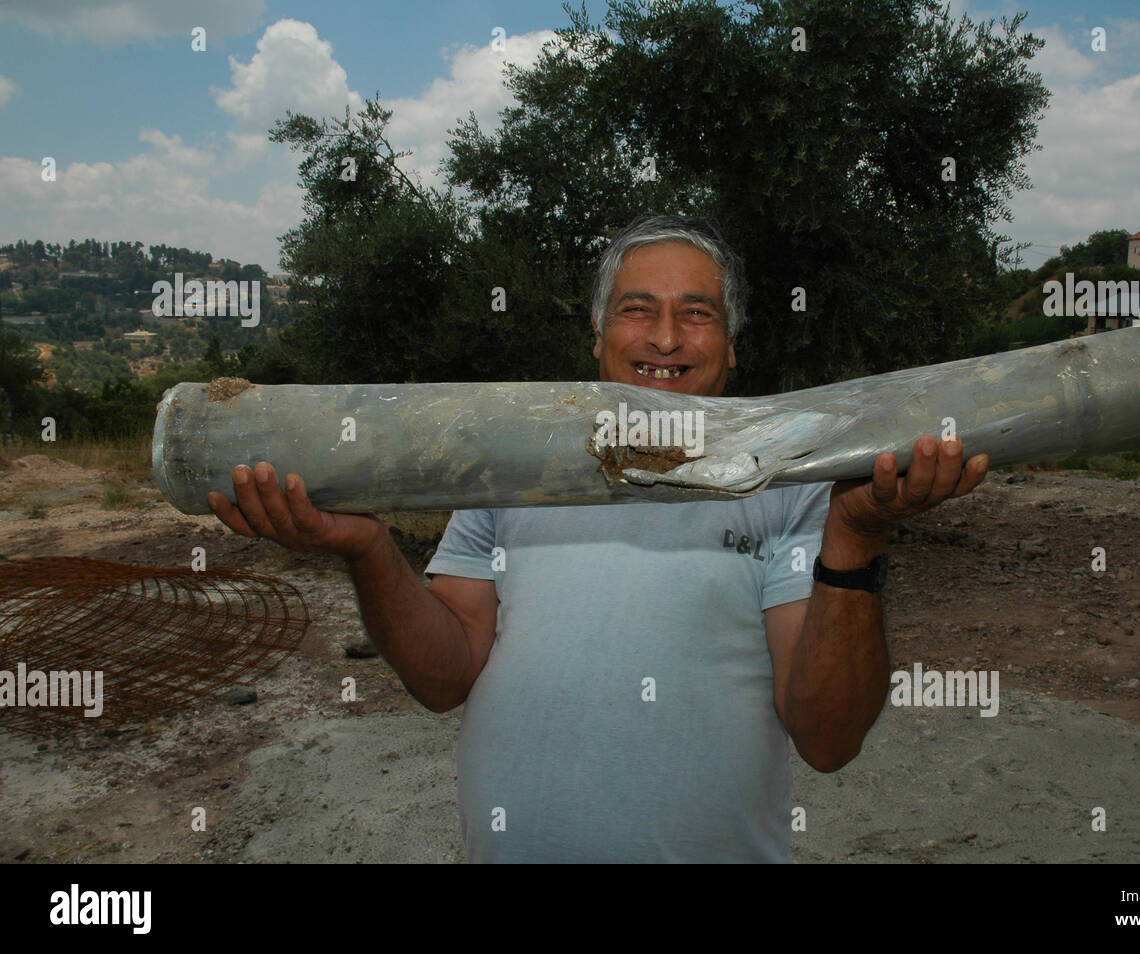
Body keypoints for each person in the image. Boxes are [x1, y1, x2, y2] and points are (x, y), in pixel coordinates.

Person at [207, 214, 989, 862]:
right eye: (637, 308)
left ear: (733, 343)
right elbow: (445, 678)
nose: (666, 338)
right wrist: (368, 549)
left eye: (697, 313)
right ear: (597, 333)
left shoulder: (784, 485)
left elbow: (827, 737)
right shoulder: (509, 469)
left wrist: (854, 538)